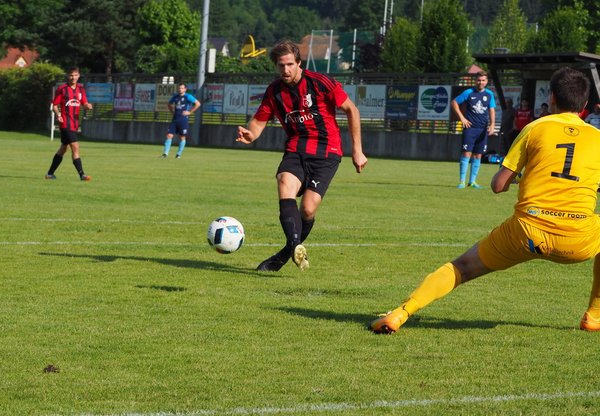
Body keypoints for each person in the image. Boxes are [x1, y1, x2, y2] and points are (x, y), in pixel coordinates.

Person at [370, 67, 600, 335]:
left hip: (528, 230)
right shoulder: (597, 138)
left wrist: (526, 176)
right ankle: (594, 316)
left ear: (550, 98)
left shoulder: (535, 128)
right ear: (584, 105)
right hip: (578, 238)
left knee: (461, 268)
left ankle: (399, 314)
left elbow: (498, 185)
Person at [236, 39, 367, 272]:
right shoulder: (274, 91)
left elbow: (352, 110)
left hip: (327, 151)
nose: (285, 70)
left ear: (299, 62)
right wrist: (250, 134)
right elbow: (258, 121)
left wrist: (357, 149)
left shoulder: (320, 83)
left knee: (307, 209)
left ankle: (285, 254)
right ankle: (296, 246)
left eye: (289, 64)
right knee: (284, 181)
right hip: (296, 148)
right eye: (280, 65)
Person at [45, 68, 93, 181]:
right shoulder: (62, 89)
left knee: (63, 148)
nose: (73, 77)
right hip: (65, 123)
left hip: (75, 123)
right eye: (71, 75)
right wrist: (58, 114)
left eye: (75, 75)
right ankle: (82, 175)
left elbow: (84, 103)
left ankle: (50, 174)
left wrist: (87, 106)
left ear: (78, 76)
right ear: (68, 76)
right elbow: (55, 105)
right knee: (75, 146)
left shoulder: (81, 89)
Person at [451, 71, 496, 189]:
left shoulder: (489, 94)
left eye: (483, 80)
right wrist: (462, 118)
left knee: (478, 155)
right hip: (470, 128)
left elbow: (492, 110)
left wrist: (492, 125)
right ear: (475, 81)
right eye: (479, 80)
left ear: (486, 82)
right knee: (466, 153)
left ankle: (472, 182)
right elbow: (454, 102)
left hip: (482, 129)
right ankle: (462, 181)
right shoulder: (468, 92)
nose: (481, 82)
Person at [161, 83, 200, 158]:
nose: (180, 89)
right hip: (175, 119)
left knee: (182, 137)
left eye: (182, 88)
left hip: (183, 120)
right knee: (169, 135)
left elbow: (198, 104)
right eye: (179, 88)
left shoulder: (188, 96)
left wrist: (189, 112)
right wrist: (172, 112)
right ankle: (165, 154)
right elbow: (169, 104)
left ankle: (178, 154)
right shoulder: (175, 96)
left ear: (185, 89)